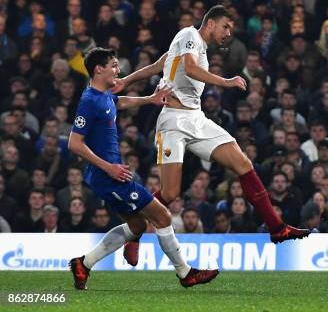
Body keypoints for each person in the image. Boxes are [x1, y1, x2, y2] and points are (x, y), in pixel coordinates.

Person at [112, 5, 310, 258]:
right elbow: (191, 69)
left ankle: (276, 227)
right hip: (173, 120)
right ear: (210, 23)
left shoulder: (197, 47)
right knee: (170, 193)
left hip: (196, 117)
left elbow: (161, 63)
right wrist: (226, 82)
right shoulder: (188, 35)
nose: (229, 32)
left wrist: (126, 80)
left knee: (243, 163)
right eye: (226, 26)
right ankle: (134, 225)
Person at [68, 48, 218, 290]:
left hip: (109, 176)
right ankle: (185, 272)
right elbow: (74, 143)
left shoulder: (103, 95)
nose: (119, 70)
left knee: (137, 226)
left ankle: (84, 264)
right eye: (114, 65)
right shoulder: (89, 101)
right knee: (162, 216)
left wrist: (150, 99)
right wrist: (109, 168)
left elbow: (120, 102)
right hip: (110, 178)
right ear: (98, 69)